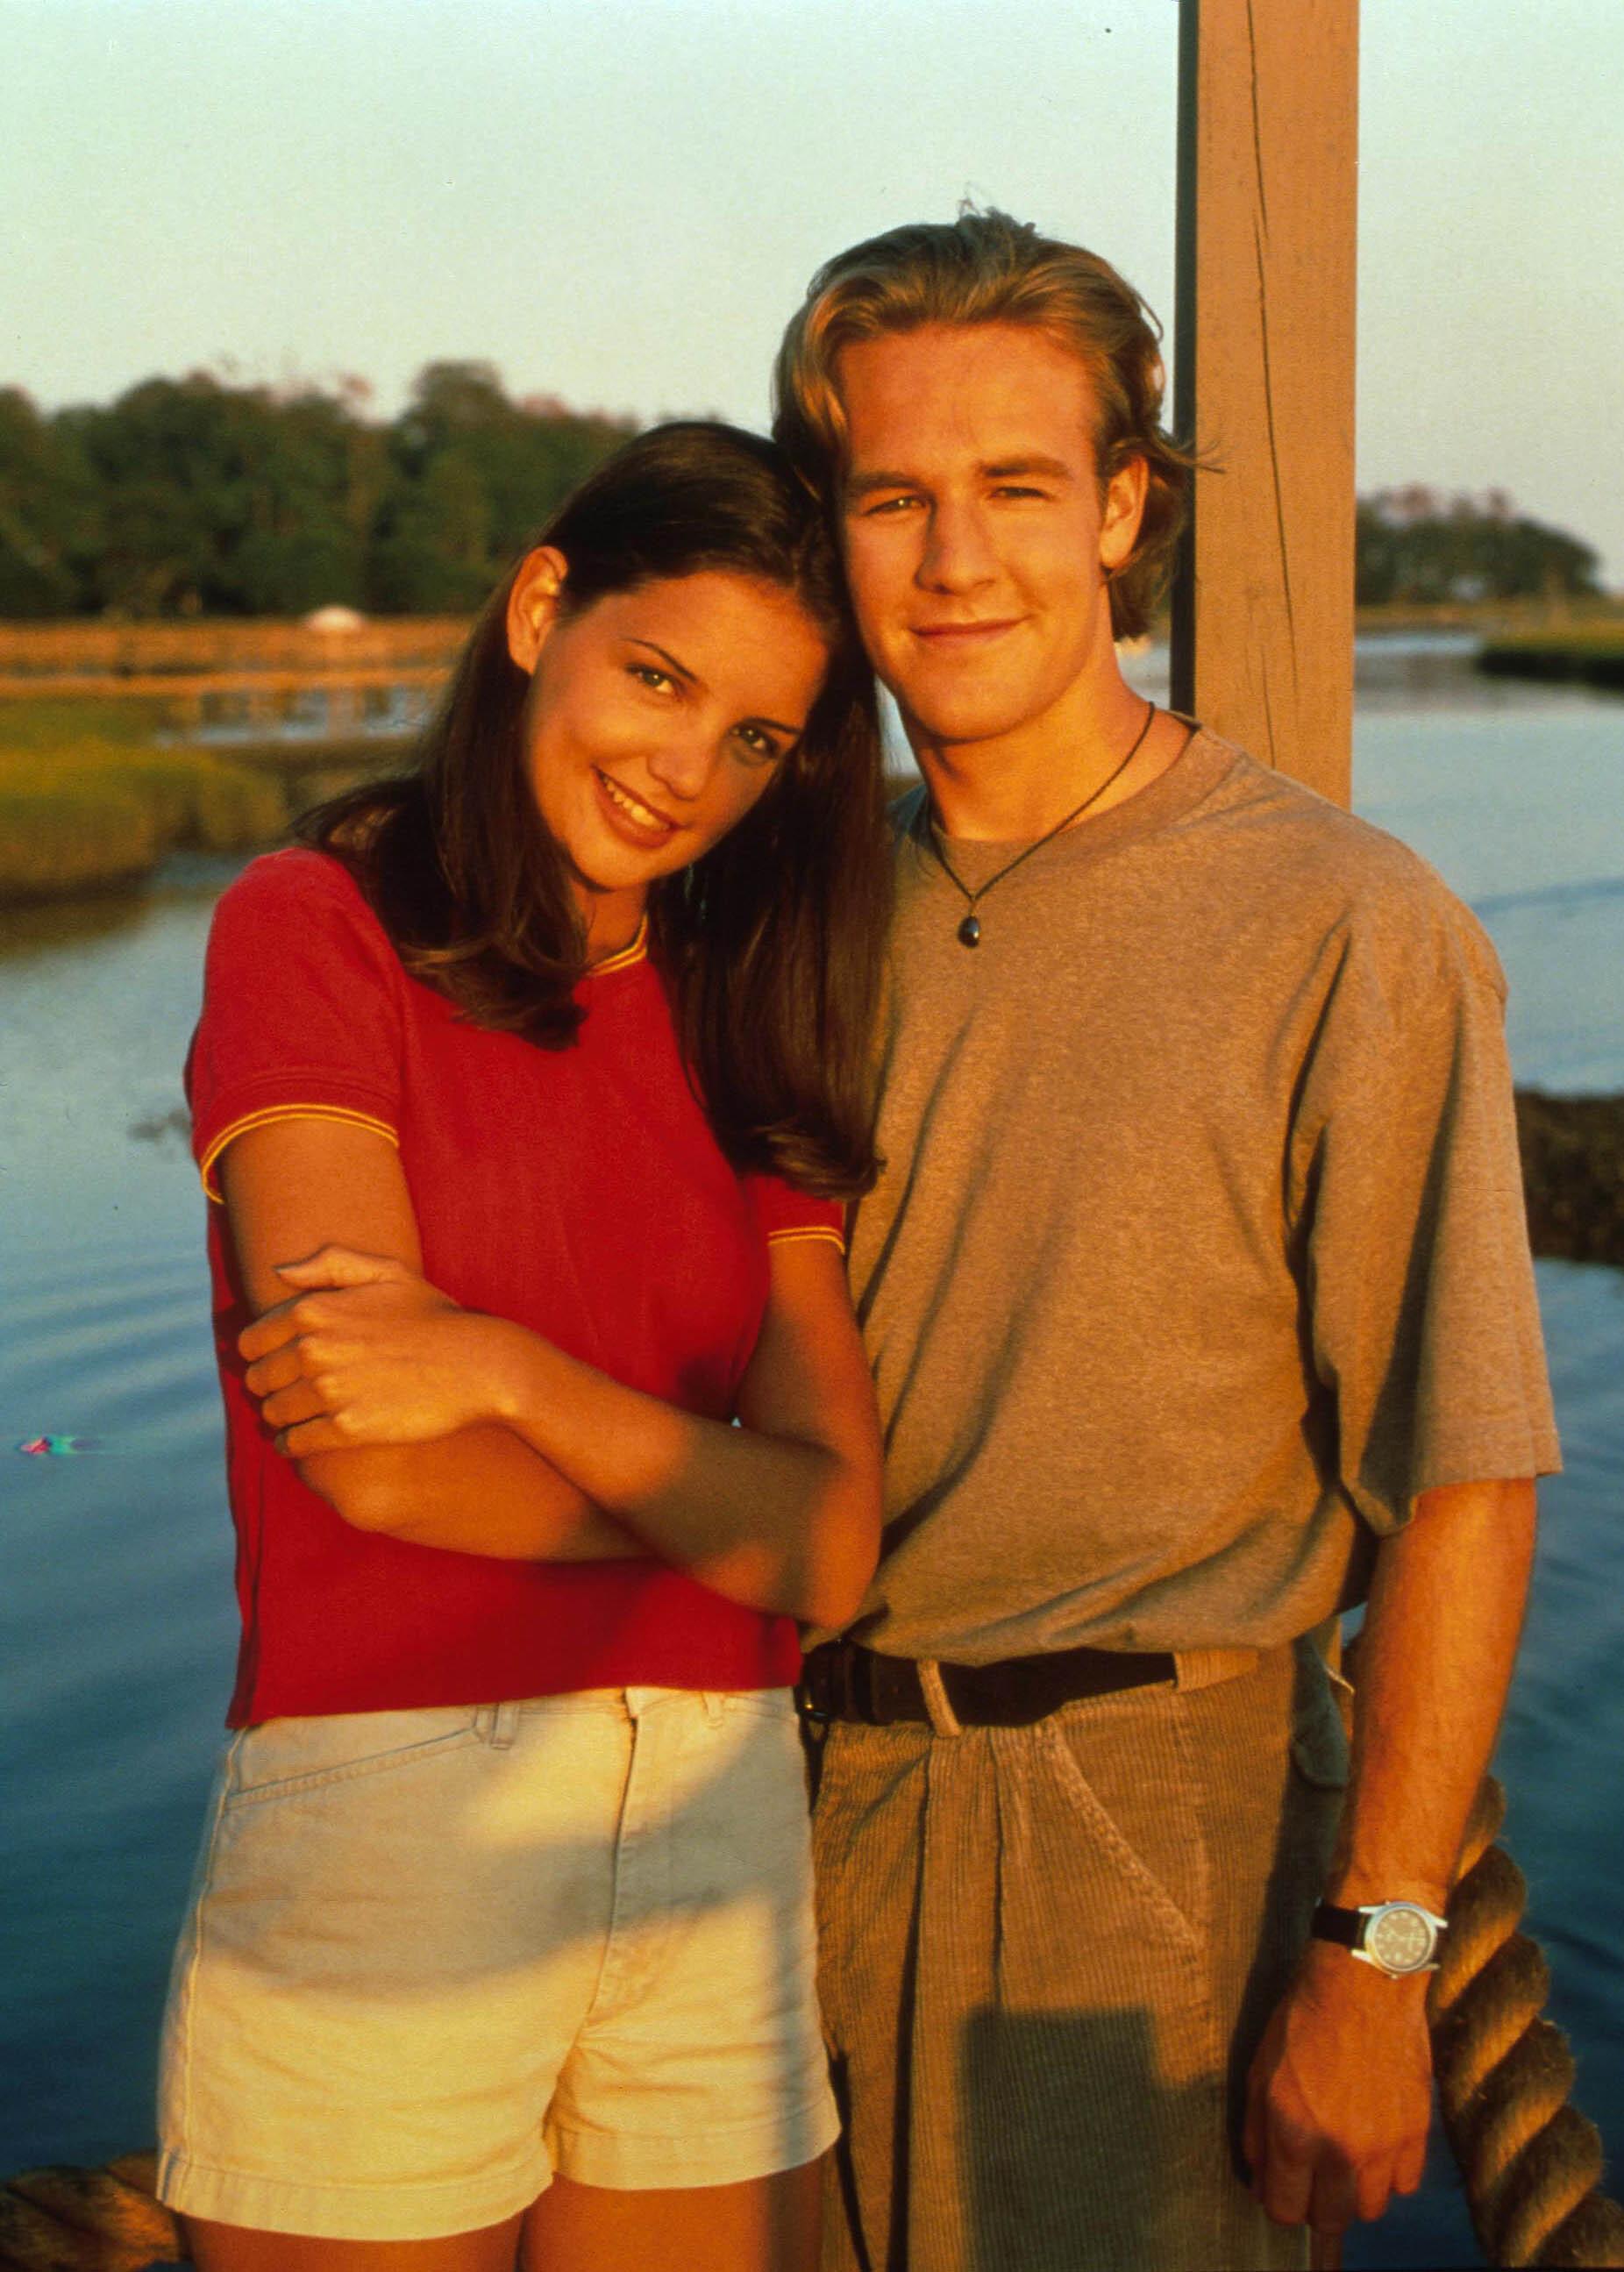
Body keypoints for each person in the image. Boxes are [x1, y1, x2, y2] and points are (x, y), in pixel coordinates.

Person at [770, 211, 1560, 2271]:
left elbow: (1464, 1481)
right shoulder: (791, 916)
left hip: (1144, 1861)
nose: (956, 563)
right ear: (826, 531)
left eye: (1017, 491)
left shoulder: (1338, 925)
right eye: (893, 500)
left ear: (1121, 508)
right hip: (780, 1831)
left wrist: (1378, 1961)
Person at [154, 422, 892, 2272]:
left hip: (721, 1818)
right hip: (398, 1803)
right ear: (540, 604)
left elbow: (831, 1552)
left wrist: (508, 1373)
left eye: (747, 738)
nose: (680, 772)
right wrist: (722, 1510)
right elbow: (374, 1457)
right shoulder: (314, 929)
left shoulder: (741, 1015)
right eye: (655, 679)